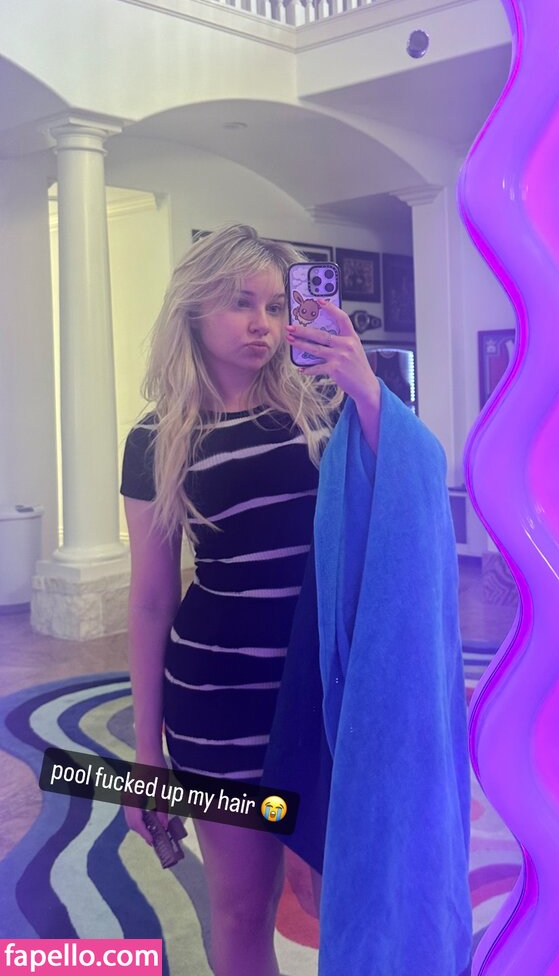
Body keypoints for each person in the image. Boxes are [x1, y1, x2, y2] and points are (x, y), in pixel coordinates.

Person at [120, 224, 381, 976]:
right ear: (194, 309)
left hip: (323, 695)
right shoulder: (156, 439)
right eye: (240, 302)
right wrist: (146, 756)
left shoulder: (322, 406)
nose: (261, 323)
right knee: (240, 910)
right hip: (218, 709)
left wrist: (365, 387)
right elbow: (150, 600)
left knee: (342, 894)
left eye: (274, 305)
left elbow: (399, 493)